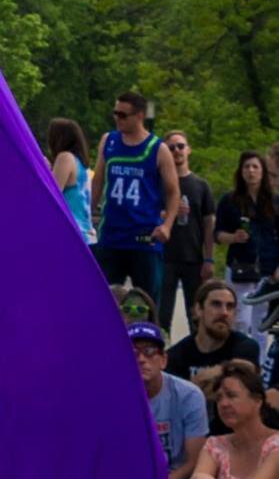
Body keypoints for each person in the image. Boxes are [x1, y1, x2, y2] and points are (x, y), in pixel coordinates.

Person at [91, 91, 179, 302]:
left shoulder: (158, 149)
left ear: (139, 116)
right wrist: (91, 212)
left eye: (123, 115)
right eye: (115, 113)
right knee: (106, 298)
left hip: (144, 237)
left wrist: (167, 225)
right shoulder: (109, 141)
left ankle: (149, 334)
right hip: (112, 235)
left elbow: (173, 191)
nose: (117, 119)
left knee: (146, 300)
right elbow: (98, 180)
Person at [166, 279, 262, 431]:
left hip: (234, 435)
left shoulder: (246, 346)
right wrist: (229, 374)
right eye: (216, 304)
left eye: (230, 307)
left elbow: (245, 380)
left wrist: (195, 386)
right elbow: (175, 404)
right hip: (190, 436)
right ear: (198, 309)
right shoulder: (176, 355)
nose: (224, 312)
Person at [128, 322, 207, 479]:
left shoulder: (189, 396)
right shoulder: (110, 398)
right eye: (132, 353)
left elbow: (194, 461)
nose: (141, 359)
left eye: (149, 352)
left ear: (163, 360)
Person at [215, 151, 279, 340]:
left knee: (261, 320)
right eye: (246, 166)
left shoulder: (274, 201)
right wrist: (234, 237)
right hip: (239, 266)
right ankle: (240, 361)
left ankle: (257, 364)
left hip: (267, 268)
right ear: (240, 171)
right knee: (240, 318)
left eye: (255, 167)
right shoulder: (229, 200)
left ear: (263, 172)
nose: (251, 171)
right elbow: (218, 234)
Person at [159, 131, 216, 336]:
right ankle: (162, 356)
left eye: (180, 146)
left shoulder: (201, 186)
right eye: (171, 147)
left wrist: (209, 258)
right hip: (164, 257)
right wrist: (168, 213)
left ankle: (195, 358)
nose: (177, 151)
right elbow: (148, 215)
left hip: (193, 258)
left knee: (196, 315)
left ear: (188, 149)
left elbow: (209, 225)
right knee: (162, 314)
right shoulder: (159, 183)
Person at [46, 117, 94, 244]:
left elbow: (52, 193)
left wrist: (43, 171)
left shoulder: (65, 157)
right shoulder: (82, 165)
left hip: (71, 233)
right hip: (86, 234)